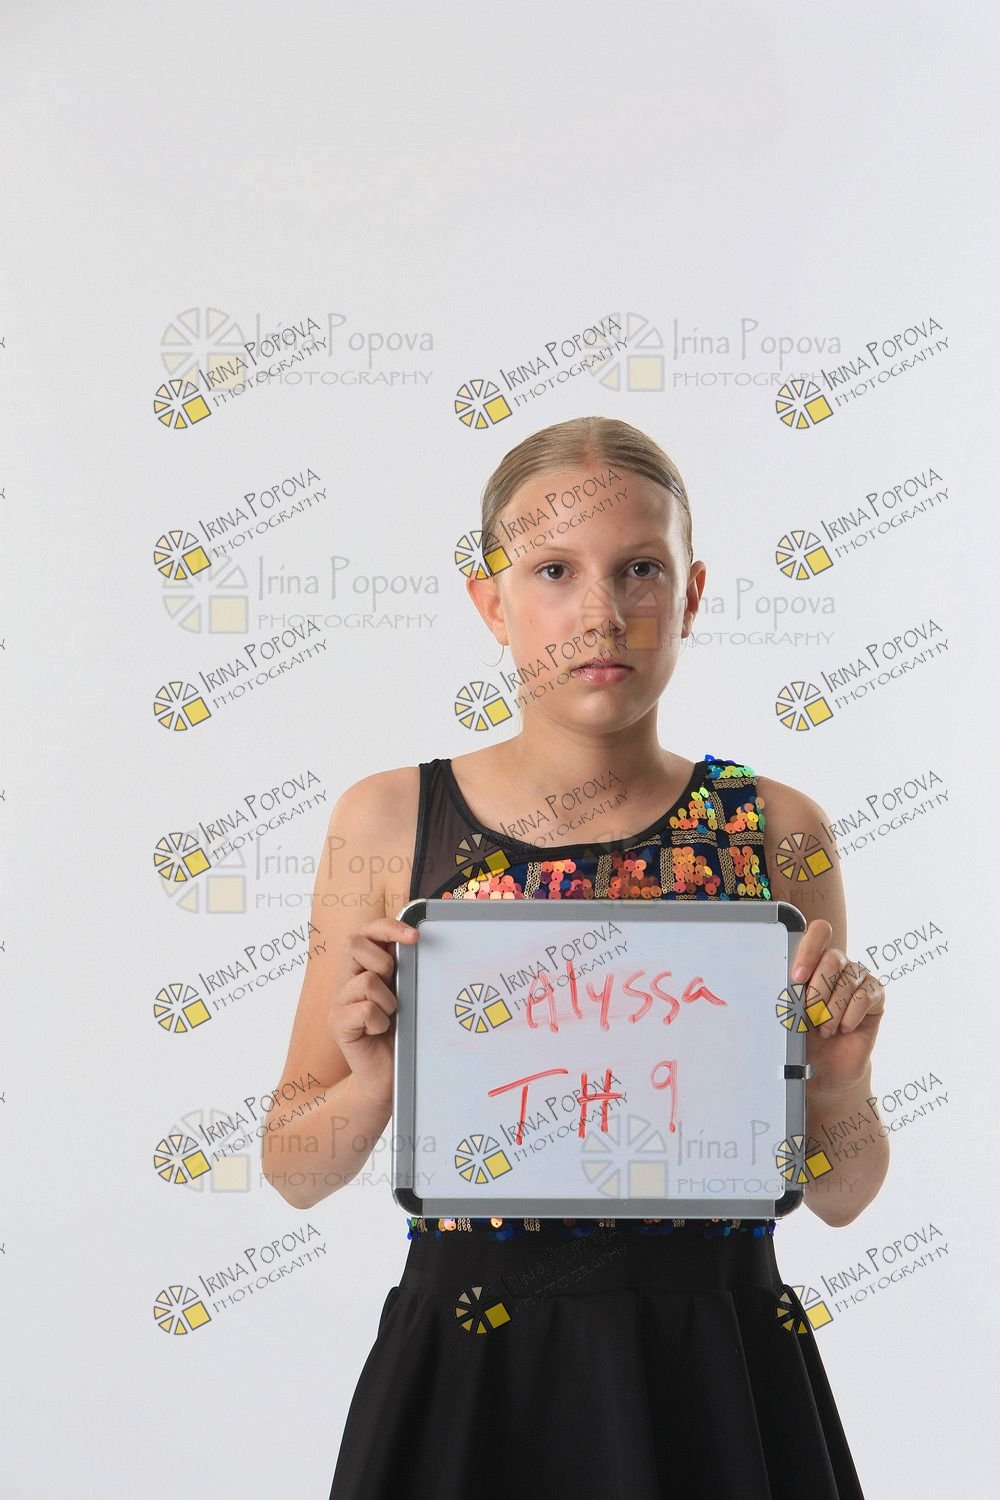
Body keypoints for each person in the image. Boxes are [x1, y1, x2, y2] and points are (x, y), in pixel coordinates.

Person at [262, 415, 889, 1500]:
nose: (601, 613)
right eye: (554, 571)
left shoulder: (776, 828)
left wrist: (837, 1085)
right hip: (472, 1361)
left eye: (641, 568)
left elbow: (843, 1193)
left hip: (715, 1358)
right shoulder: (391, 819)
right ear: (490, 601)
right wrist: (377, 1082)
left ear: (691, 594)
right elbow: (292, 1170)